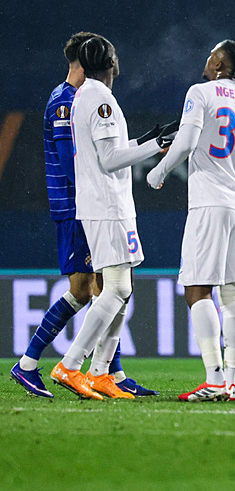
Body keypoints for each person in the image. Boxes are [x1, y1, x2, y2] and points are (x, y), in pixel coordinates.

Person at [10, 32, 158, 398]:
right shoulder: (65, 101)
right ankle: (31, 364)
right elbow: (71, 164)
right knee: (89, 289)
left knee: (106, 287)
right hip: (76, 207)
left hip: (86, 205)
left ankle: (109, 373)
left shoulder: (81, 98)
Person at [147, 40, 235, 402]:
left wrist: (158, 171)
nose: (205, 60)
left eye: (210, 55)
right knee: (233, 294)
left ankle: (214, 379)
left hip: (210, 202)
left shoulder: (200, 92)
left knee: (197, 288)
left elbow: (186, 141)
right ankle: (231, 381)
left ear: (220, 63)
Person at [49, 36, 176, 400]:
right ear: (111, 62)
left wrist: (149, 139)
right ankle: (71, 365)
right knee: (118, 288)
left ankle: (101, 372)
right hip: (106, 206)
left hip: (109, 203)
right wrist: (153, 148)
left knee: (124, 288)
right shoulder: (99, 98)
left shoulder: (85, 95)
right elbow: (108, 160)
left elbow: (109, 151)